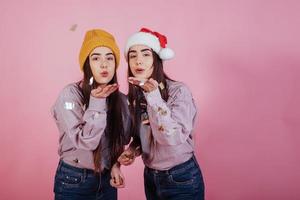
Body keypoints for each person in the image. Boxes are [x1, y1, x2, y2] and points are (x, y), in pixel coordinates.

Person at [118, 27, 205, 200]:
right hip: (151, 177)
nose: (138, 61)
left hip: (181, 178)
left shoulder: (179, 92)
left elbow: (172, 138)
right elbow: (142, 134)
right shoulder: (136, 95)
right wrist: (133, 150)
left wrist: (154, 96)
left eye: (145, 54)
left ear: (157, 59)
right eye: (133, 55)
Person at [51, 29, 130, 200]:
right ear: (87, 64)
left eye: (109, 57)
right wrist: (96, 102)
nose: (104, 64)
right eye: (96, 58)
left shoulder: (121, 101)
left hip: (107, 179)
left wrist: (116, 165)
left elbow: (120, 140)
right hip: (74, 180)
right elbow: (86, 141)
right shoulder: (70, 95)